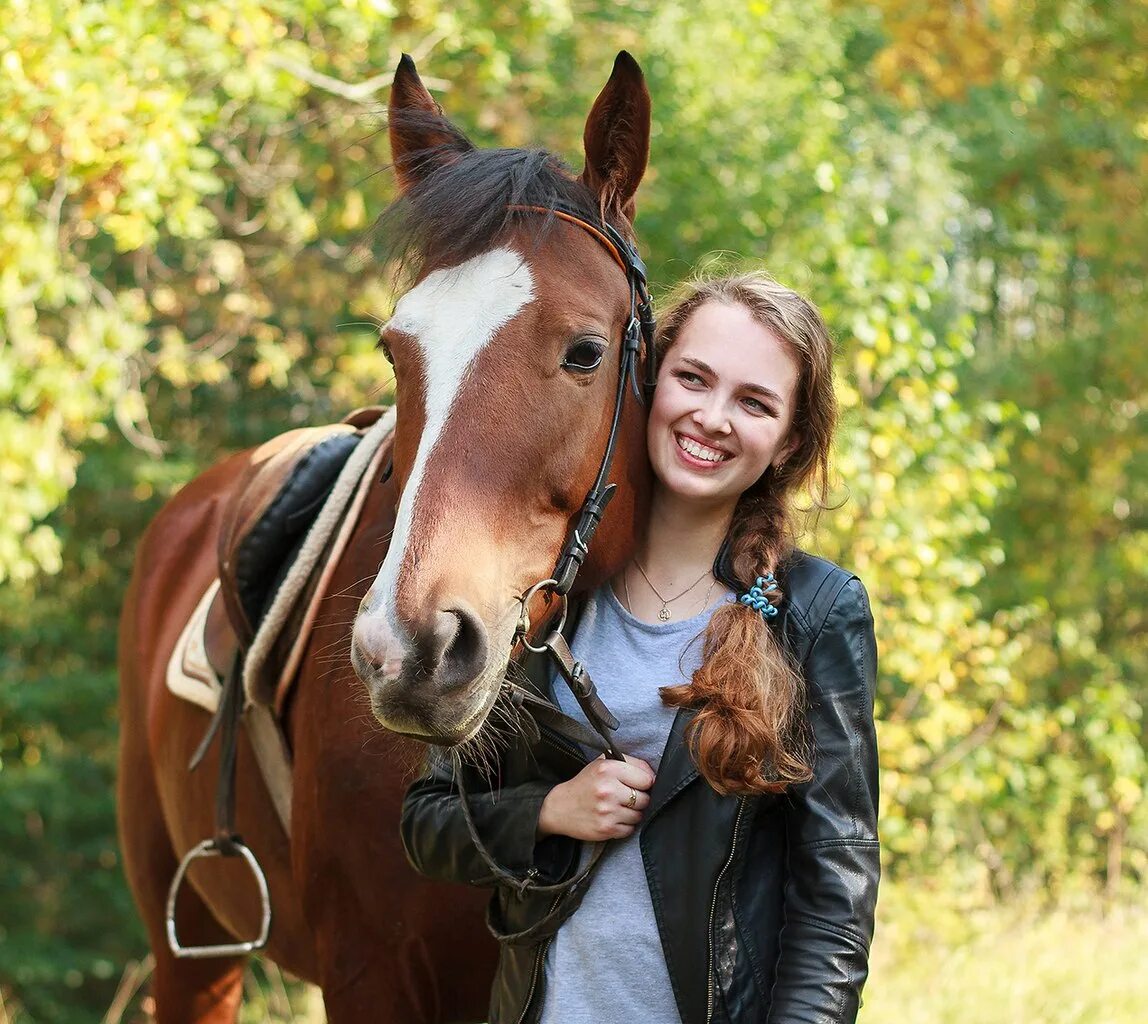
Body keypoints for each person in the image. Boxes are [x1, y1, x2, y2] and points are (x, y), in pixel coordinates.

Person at [400, 271, 880, 1024]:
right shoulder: (543, 590)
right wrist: (551, 811)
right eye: (693, 378)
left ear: (787, 442)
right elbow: (426, 823)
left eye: (754, 403)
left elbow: (836, 894)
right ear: (649, 381)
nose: (712, 417)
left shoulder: (814, 612)